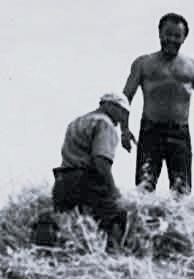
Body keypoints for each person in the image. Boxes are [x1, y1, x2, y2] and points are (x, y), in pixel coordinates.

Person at [120, 12, 194, 195]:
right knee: (144, 188)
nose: (171, 39)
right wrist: (124, 130)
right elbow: (125, 98)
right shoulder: (143, 64)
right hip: (150, 131)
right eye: (168, 34)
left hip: (180, 133)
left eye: (177, 36)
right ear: (159, 34)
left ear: (184, 38)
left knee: (181, 191)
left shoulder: (193, 67)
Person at [36, 92, 133, 248]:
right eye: (122, 112)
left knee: (65, 223)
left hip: (63, 180)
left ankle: (46, 252)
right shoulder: (105, 124)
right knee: (117, 214)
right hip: (86, 181)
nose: (122, 118)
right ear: (110, 106)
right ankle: (113, 256)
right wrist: (113, 191)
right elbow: (101, 162)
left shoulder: (76, 122)